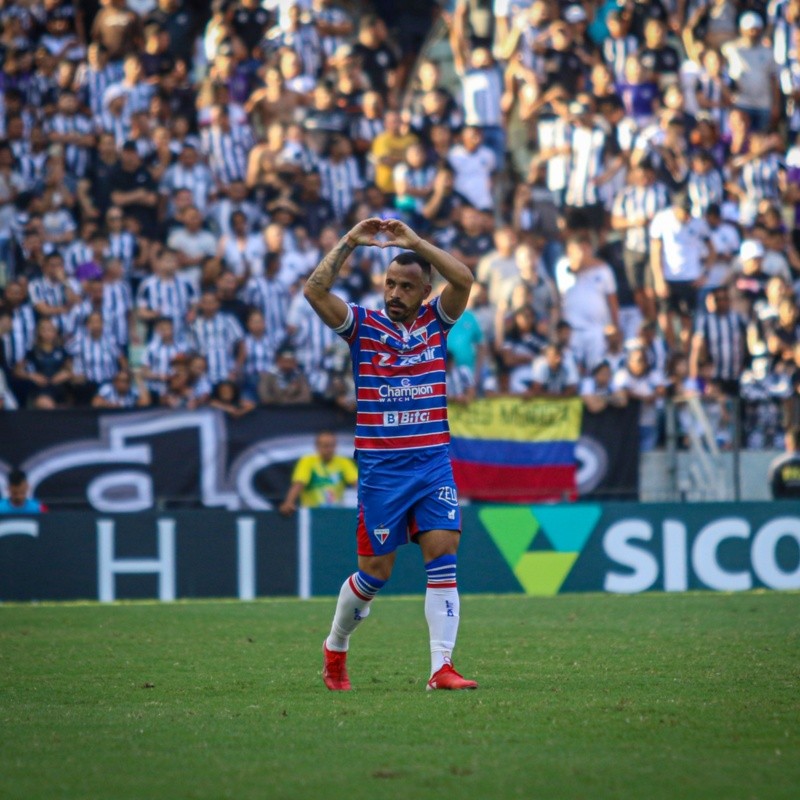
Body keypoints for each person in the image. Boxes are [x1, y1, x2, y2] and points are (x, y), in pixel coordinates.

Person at [303, 216, 477, 692]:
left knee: (443, 554)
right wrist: (348, 242)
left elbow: (463, 279)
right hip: (382, 471)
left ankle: (441, 667)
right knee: (374, 574)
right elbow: (315, 293)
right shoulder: (362, 325)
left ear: (424, 293)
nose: (395, 293)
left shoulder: (436, 322)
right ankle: (336, 646)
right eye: (390, 284)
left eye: (406, 286)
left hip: (431, 462)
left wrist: (416, 241)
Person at [279, 431, 358, 515]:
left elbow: (356, 483)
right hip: (312, 514)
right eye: (325, 446)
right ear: (317, 447)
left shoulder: (343, 462)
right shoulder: (307, 461)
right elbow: (298, 483)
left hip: (336, 514)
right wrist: (289, 502)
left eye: (332, 445)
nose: (329, 449)